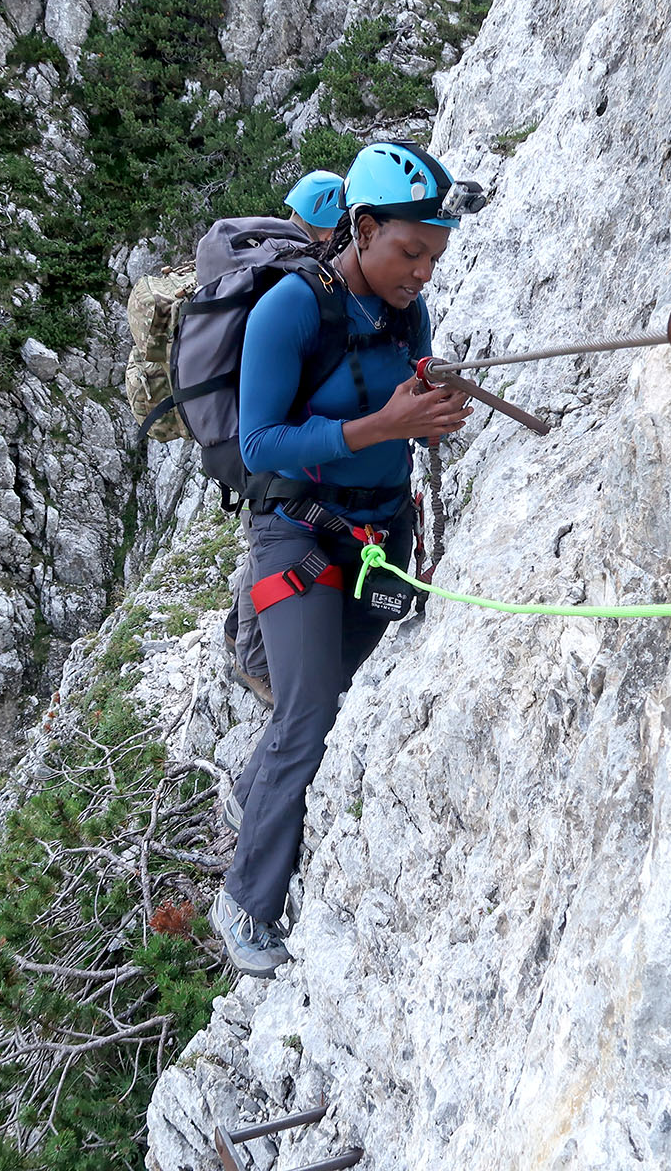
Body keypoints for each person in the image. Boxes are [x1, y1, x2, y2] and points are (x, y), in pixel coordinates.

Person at [210, 141, 482, 977]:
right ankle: (244, 906)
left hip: (379, 530)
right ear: (361, 229)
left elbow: (406, 392)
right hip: (298, 531)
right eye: (410, 251)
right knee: (309, 710)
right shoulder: (288, 312)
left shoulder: (407, 312)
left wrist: (433, 409)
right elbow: (259, 443)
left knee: (330, 697)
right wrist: (386, 427)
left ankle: (255, 809)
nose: (423, 273)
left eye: (434, 256)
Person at [223, 168, 349, 705]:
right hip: (262, 435)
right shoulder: (291, 273)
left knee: (262, 533)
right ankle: (252, 661)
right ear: (331, 224)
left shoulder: (263, 254)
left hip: (235, 427)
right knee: (265, 539)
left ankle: (236, 629)